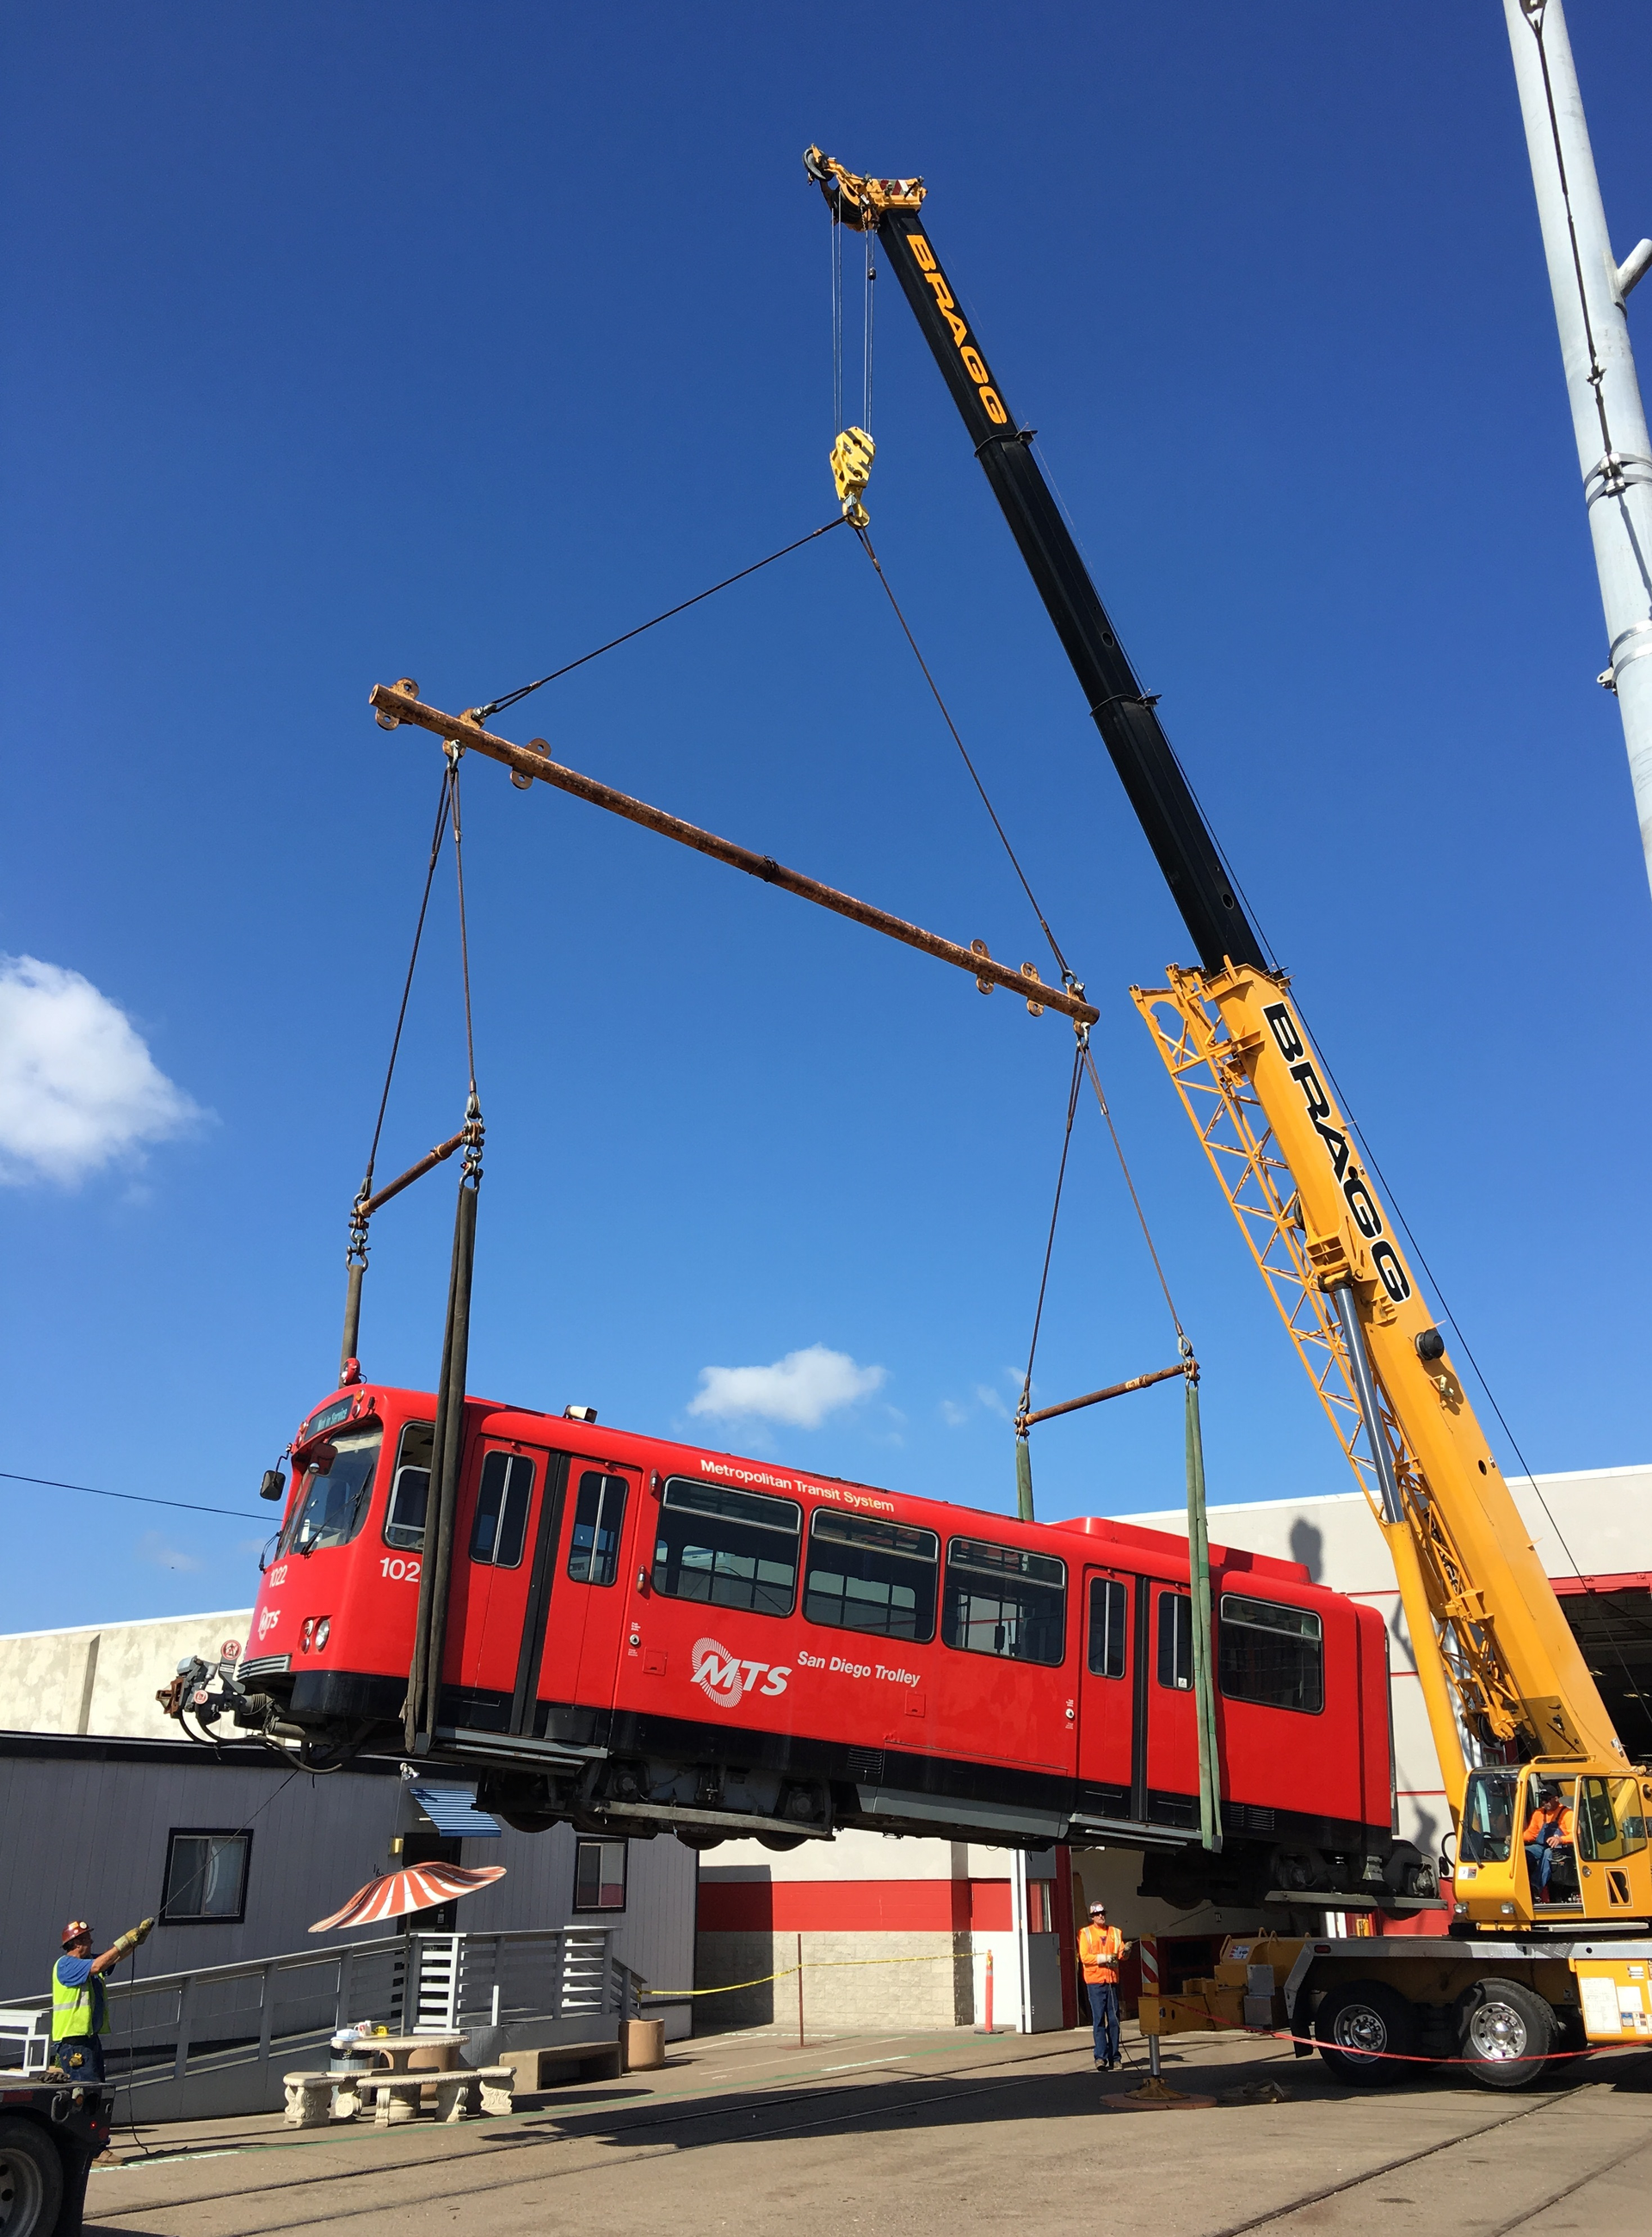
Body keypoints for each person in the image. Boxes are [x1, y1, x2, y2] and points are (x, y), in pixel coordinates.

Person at [51, 1917, 153, 2080]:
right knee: (85, 2090)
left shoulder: (86, 1962)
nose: (91, 1942)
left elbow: (112, 1958)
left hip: (88, 2038)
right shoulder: (66, 1965)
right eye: (87, 1939)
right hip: (74, 2042)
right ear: (76, 1943)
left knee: (95, 2089)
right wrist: (126, 1940)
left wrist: (135, 1942)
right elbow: (99, 1964)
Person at [1076, 1899, 1125, 2071]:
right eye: (1097, 1914)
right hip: (1095, 1983)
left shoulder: (1115, 1933)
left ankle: (1115, 2057)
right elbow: (1085, 1957)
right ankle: (1100, 2057)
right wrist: (1105, 1958)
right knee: (1098, 2020)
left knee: (1113, 2020)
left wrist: (1126, 1952)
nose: (1101, 1916)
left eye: (1102, 1913)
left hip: (1111, 1982)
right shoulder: (1086, 1934)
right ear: (1092, 1917)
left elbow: (1121, 1954)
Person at [1522, 1786, 1575, 1896]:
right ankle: (1522, 1884)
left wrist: (1560, 1839)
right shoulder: (1539, 1814)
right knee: (1524, 1852)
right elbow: (1531, 1834)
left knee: (1548, 1853)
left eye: (1547, 1799)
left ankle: (1536, 1886)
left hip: (1564, 1849)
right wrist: (1516, 1839)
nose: (1544, 1802)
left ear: (1556, 1799)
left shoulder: (1568, 1814)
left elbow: (1576, 1835)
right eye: (1542, 1799)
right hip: (1542, 1847)